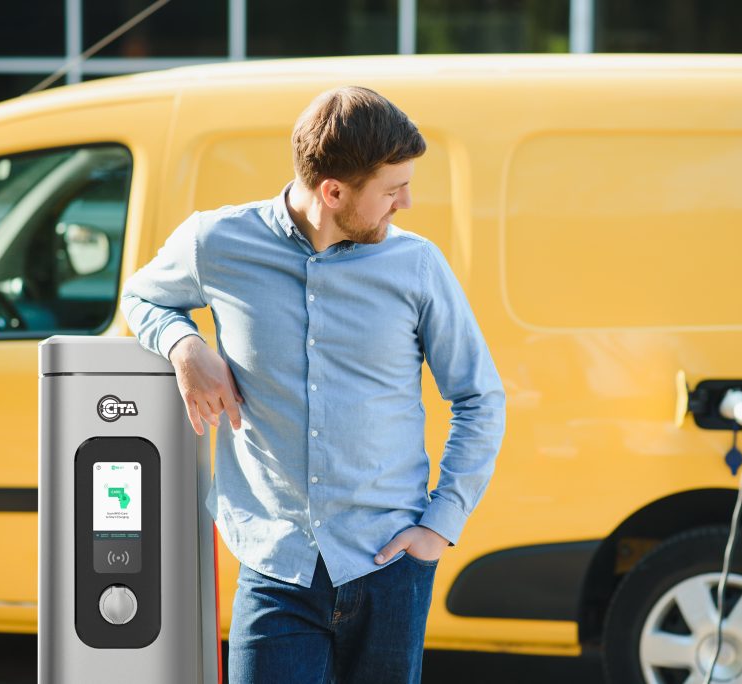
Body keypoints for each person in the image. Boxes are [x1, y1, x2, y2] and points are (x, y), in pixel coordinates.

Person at [121, 85, 506, 684]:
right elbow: (141, 296)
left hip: (389, 567)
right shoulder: (215, 243)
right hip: (277, 568)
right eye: (391, 189)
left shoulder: (418, 266)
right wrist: (183, 344)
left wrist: (440, 525)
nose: (407, 201)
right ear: (333, 192)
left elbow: (479, 396)